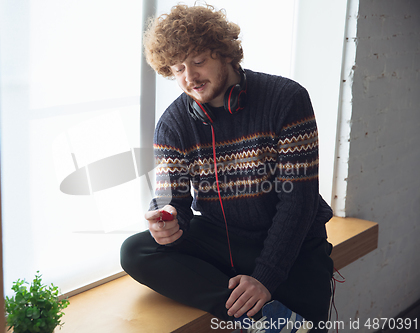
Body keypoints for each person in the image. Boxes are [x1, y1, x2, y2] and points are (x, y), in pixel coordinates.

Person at [121, 4, 334, 332]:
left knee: (303, 296)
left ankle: (265, 306)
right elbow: (172, 200)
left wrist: (264, 277)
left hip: (293, 245)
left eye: (198, 61)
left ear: (224, 52)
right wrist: (164, 220)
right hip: (223, 239)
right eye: (178, 69)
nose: (189, 78)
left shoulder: (287, 99)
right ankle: (263, 318)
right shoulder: (173, 124)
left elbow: (299, 202)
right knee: (135, 250)